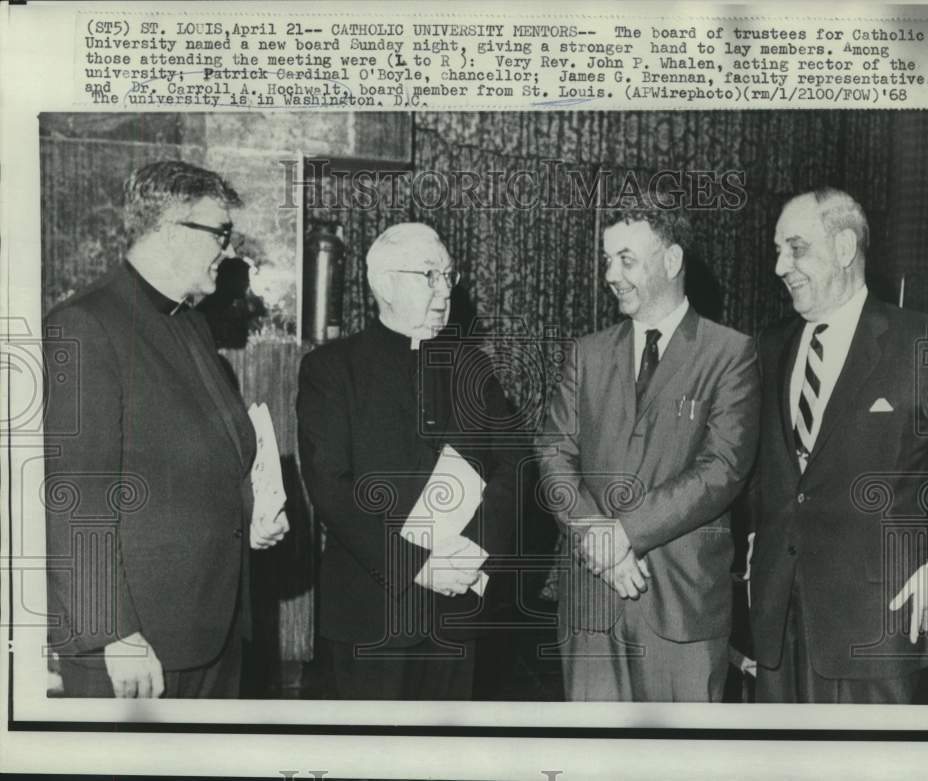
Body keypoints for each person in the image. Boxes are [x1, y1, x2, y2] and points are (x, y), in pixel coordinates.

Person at [44, 160, 284, 698]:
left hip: (211, 628)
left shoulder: (190, 322)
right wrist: (114, 632)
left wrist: (253, 512)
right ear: (170, 229)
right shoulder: (84, 325)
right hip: (139, 645)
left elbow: (199, 460)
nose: (228, 250)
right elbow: (73, 496)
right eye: (220, 233)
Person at [749, 188, 928, 703]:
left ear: (845, 247)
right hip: (777, 631)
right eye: (777, 250)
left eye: (796, 248)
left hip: (878, 632)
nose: (780, 266)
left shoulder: (922, 344)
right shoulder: (770, 346)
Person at [536, 208, 760, 701]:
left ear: (672, 259)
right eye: (607, 260)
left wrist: (624, 533)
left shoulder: (730, 354)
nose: (610, 275)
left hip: (681, 610)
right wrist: (597, 536)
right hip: (592, 607)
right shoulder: (587, 353)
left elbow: (722, 469)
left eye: (626, 260)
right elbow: (553, 452)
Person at [296, 222, 517, 700]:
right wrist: (418, 565)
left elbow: (515, 468)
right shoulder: (331, 370)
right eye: (428, 276)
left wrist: (472, 554)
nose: (444, 292)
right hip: (371, 614)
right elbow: (330, 488)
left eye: (448, 277)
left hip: (458, 609)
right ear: (384, 284)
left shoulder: (473, 370)